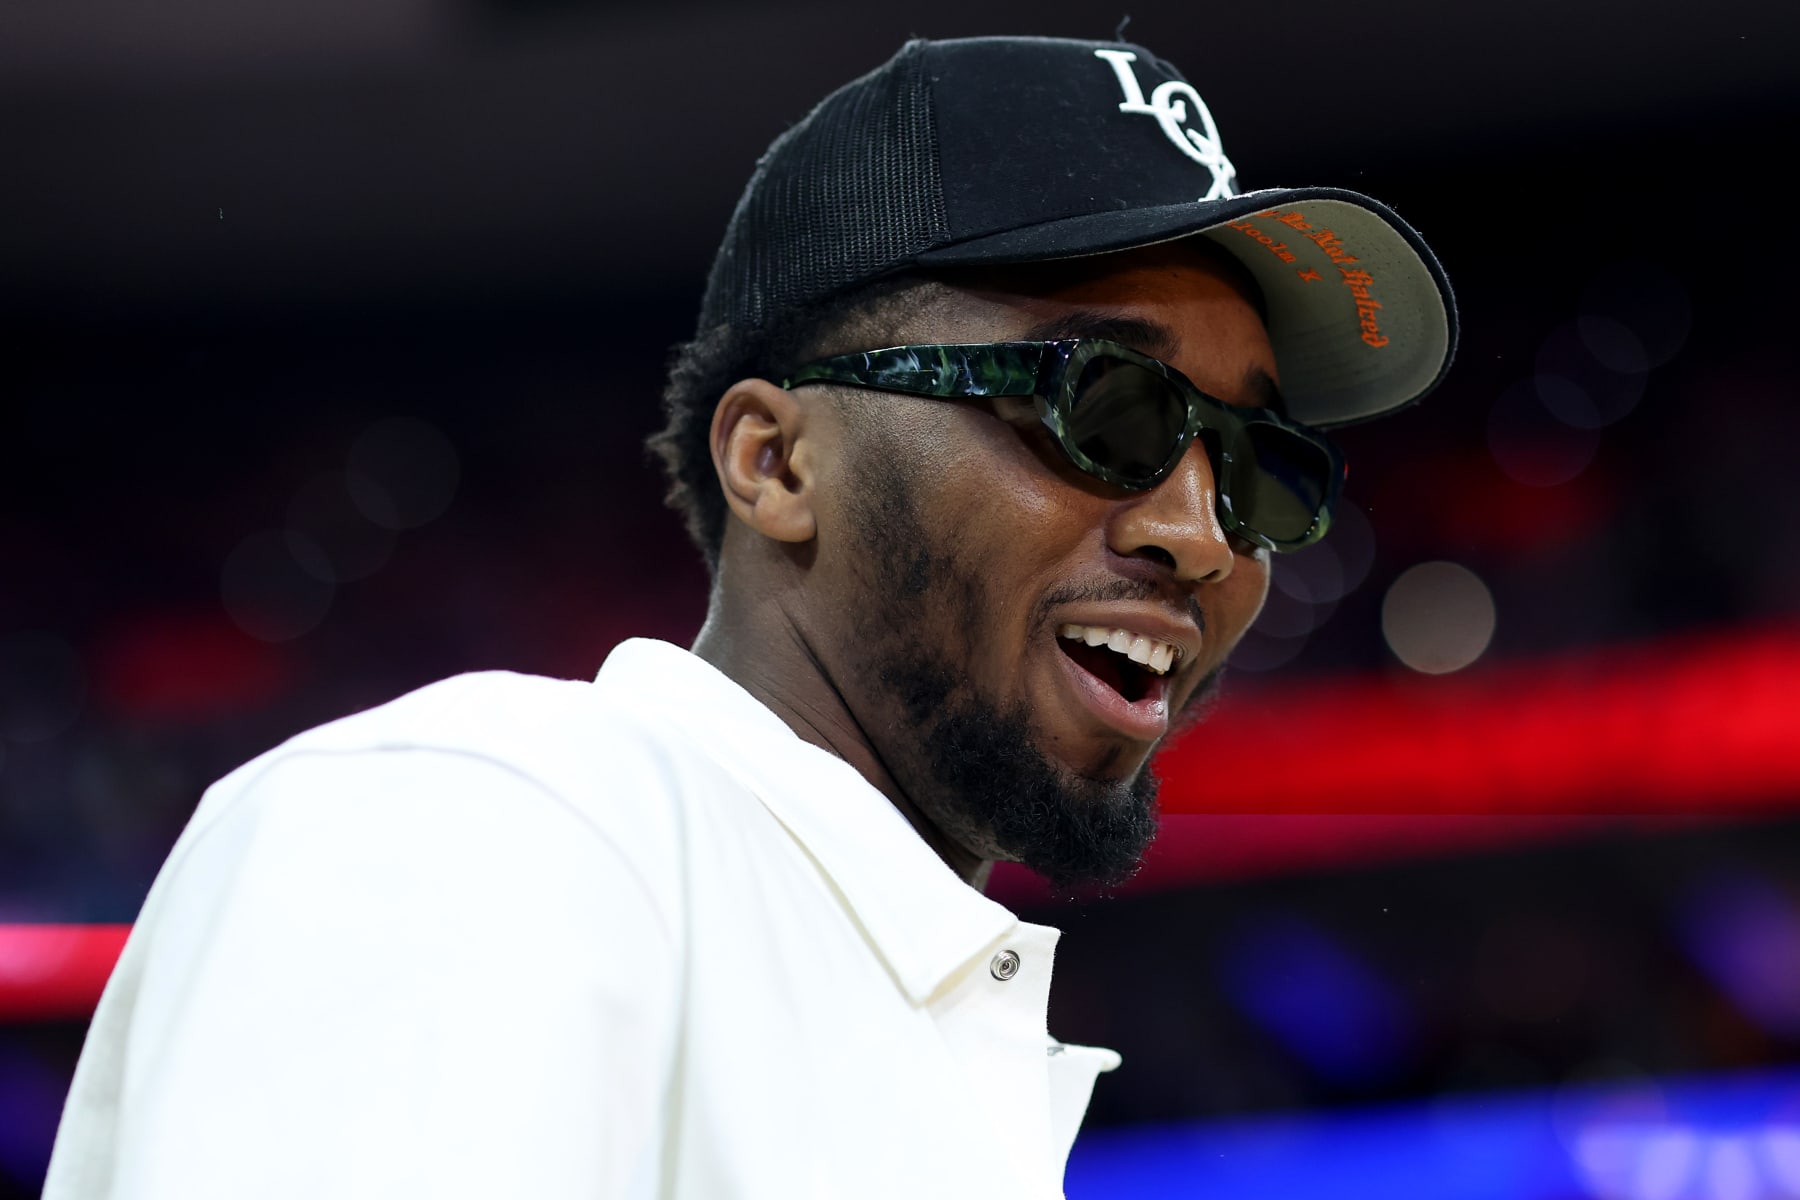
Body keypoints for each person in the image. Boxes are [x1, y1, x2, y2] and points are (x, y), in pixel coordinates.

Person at [44, 34, 1454, 1200]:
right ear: (778, 463)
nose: (1201, 535)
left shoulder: (898, 1000)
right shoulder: (497, 824)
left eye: (1261, 466)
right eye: (1106, 406)